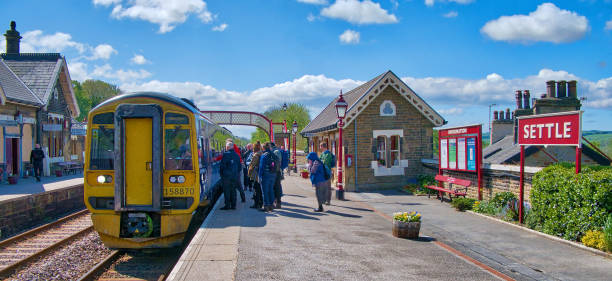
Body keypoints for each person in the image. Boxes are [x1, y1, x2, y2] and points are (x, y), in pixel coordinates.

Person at [220, 142, 241, 210]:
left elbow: (222, 166)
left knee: (227, 191)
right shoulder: (237, 155)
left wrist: (222, 174)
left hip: (226, 176)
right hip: (234, 176)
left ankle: (227, 205)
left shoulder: (225, 154)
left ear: (228, 147)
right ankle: (233, 205)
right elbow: (240, 167)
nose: (226, 148)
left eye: (226, 147)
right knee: (233, 190)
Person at [258, 142, 277, 212]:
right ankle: (271, 205)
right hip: (273, 174)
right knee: (271, 190)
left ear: (263, 148)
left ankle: (266, 206)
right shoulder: (273, 154)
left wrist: (259, 176)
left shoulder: (264, 155)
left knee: (265, 191)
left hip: (266, 175)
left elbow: (261, 167)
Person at [247, 142, 263, 209]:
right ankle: (260, 203)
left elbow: (252, 165)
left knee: (256, 189)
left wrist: (249, 173)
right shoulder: (261, 153)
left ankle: (256, 204)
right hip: (260, 174)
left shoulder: (256, 155)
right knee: (259, 189)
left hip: (256, 175)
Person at [271, 143, 283, 209]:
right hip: (277, 171)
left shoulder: (275, 152)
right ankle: (277, 202)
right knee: (277, 187)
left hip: (276, 172)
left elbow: (276, 163)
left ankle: (278, 203)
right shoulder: (276, 151)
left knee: (276, 187)